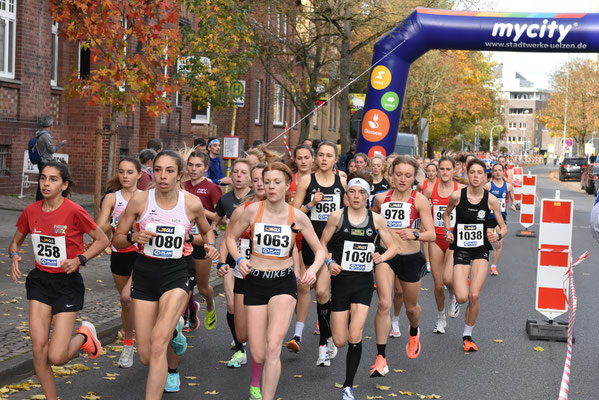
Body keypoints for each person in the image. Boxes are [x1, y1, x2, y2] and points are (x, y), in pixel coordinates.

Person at [113, 150, 218, 399]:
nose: (163, 176)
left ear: (179, 175)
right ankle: (176, 328)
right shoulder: (140, 201)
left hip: (177, 272)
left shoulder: (190, 203)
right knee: (146, 355)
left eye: (169, 171)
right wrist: (131, 237)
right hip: (145, 272)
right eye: (158, 170)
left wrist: (211, 245)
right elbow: (117, 240)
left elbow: (207, 232)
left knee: (159, 344)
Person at [10, 161, 109, 400]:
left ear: (64, 185)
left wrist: (80, 259)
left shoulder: (74, 211)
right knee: (38, 349)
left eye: (53, 179)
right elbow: (16, 241)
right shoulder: (30, 211)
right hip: (40, 282)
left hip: (67, 284)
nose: (46, 183)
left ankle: (85, 335)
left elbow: (102, 239)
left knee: (57, 356)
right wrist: (14, 255)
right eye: (43, 178)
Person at [226, 162, 324, 400]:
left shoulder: (297, 216)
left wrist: (312, 270)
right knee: (258, 353)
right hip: (255, 283)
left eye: (276, 182)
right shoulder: (252, 211)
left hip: (283, 283)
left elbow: (319, 250)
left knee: (272, 349)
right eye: (267, 181)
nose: (270, 186)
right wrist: (238, 258)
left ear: (287, 185)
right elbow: (230, 237)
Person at [320, 172, 397, 400]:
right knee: (340, 340)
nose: (356, 196)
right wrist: (329, 261)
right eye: (352, 191)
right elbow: (323, 243)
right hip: (341, 282)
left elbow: (392, 246)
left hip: (363, 283)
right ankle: (331, 335)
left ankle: (348, 386)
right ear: (346, 195)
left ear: (368, 196)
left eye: (362, 192)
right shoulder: (337, 217)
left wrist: (381, 258)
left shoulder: (376, 220)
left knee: (355, 334)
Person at [370, 156, 435, 377]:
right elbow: (372, 225)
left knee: (411, 308)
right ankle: (380, 357)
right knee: (384, 304)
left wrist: (415, 233)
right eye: (398, 174)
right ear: (391, 174)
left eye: (408, 175)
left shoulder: (420, 200)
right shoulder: (380, 199)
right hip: (385, 256)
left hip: (410, 257)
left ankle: (414, 331)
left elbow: (432, 234)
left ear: (414, 177)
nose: (402, 179)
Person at [293, 141, 347, 367]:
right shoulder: (307, 181)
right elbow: (294, 213)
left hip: (332, 244)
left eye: (329, 156)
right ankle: (326, 336)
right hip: (310, 242)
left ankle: (324, 343)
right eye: (321, 155)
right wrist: (311, 203)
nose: (324, 159)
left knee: (323, 292)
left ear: (336, 159)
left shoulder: (342, 181)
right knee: (307, 288)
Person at [444, 158, 506, 352]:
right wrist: (448, 231)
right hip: (461, 248)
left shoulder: (491, 200)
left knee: (475, 294)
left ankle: (467, 335)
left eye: (480, 172)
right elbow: (447, 214)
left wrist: (496, 235)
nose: (476, 176)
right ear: (467, 174)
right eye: (472, 172)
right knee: (462, 297)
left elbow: (503, 227)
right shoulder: (456, 196)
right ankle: (454, 295)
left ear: (485, 175)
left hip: (480, 249)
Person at [217, 162, 266, 399]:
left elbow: (292, 245)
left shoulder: (283, 211)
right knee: (243, 332)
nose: (259, 184)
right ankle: (243, 347)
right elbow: (228, 238)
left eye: (263, 180)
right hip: (242, 273)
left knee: (264, 332)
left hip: (272, 277)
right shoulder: (240, 210)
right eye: (255, 180)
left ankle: (259, 378)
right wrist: (223, 262)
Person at [96, 157, 142, 367]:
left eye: (130, 172)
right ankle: (129, 342)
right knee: (127, 303)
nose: (125, 176)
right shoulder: (112, 198)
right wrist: (119, 219)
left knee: (127, 297)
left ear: (139, 175)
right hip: (120, 253)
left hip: (142, 254)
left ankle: (134, 339)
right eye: (122, 172)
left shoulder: (146, 197)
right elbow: (98, 229)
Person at [213, 158, 253, 368]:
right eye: (235, 172)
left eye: (242, 173)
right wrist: (220, 260)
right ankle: (239, 347)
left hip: (254, 258)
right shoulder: (226, 199)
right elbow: (219, 227)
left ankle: (245, 334)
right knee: (230, 303)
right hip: (231, 255)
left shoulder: (259, 200)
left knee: (250, 305)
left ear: (250, 178)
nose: (238, 176)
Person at [423, 156, 463, 334]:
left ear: (454, 170)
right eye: (442, 169)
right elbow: (423, 213)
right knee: (438, 285)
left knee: (448, 279)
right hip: (436, 240)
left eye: (448, 169)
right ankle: (440, 319)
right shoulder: (430, 191)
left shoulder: (461, 190)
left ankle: (453, 296)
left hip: (454, 240)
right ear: (438, 170)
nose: (445, 172)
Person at [183, 151, 222, 331]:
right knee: (185, 283)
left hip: (202, 241)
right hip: (184, 240)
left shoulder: (212, 188)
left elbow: (221, 217)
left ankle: (210, 305)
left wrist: (199, 209)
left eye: (198, 165)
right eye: (190, 165)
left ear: (206, 168)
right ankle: (186, 315)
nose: (193, 169)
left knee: (203, 287)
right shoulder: (182, 186)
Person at [286, 144, 315, 352]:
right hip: (290, 235)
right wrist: (310, 204)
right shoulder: (289, 180)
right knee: (293, 285)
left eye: (306, 157)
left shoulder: (321, 179)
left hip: (313, 236)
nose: (303, 161)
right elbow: (293, 212)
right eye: (299, 158)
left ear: (312, 159)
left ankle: (298, 333)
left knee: (305, 286)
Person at [484, 163, 516, 276]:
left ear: (503, 172)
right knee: (487, 243)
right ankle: (483, 264)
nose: (497, 172)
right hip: (489, 217)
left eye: (499, 170)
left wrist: (513, 205)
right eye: (495, 170)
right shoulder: (488, 186)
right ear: (493, 172)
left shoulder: (508, 187)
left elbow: (513, 200)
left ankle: (493, 267)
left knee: (498, 243)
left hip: (501, 218)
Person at [34, 116, 67, 201]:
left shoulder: (39, 134)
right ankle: (41, 201)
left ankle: (40, 201)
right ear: (51, 125)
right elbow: (52, 150)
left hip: (41, 160)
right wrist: (61, 144)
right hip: (45, 162)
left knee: (42, 182)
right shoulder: (46, 136)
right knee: (46, 183)